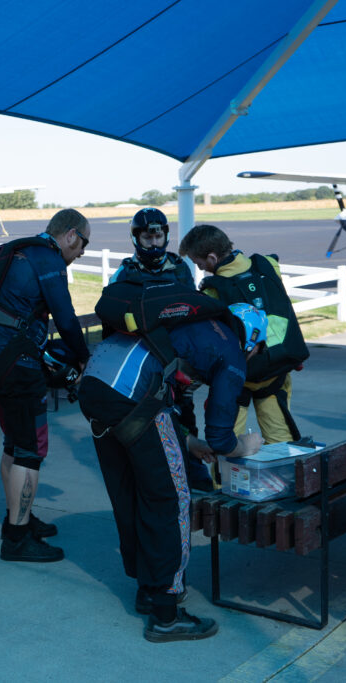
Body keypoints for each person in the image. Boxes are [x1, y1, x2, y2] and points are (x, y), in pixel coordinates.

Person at [78, 300, 267, 642]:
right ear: (252, 341)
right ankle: (166, 613)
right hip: (131, 395)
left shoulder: (187, 325)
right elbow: (222, 438)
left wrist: (191, 444)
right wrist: (246, 446)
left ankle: (148, 589)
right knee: (171, 499)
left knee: (132, 492)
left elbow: (162, 401)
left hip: (94, 384)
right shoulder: (232, 350)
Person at [0, 208, 91, 562]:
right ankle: (17, 537)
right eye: (83, 244)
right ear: (70, 235)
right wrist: (85, 357)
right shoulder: (48, 258)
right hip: (16, 361)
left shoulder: (16, 250)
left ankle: (18, 519)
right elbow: (67, 317)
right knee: (29, 450)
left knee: (14, 444)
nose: (83, 252)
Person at [179, 224, 308, 445]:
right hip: (278, 370)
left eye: (197, 262)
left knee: (227, 441)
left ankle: (224, 481)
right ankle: (281, 479)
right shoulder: (268, 265)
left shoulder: (214, 290)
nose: (199, 267)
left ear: (211, 257)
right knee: (281, 441)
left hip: (239, 379)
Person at [110, 208, 211, 490]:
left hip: (177, 358)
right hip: (143, 360)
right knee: (150, 420)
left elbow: (195, 310)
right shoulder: (125, 272)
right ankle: (160, 482)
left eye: (158, 236)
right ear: (136, 238)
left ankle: (196, 483)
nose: (154, 243)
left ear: (165, 235)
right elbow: (113, 315)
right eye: (147, 237)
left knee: (185, 416)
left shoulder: (179, 269)